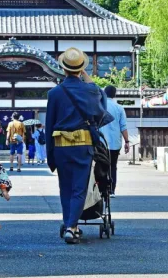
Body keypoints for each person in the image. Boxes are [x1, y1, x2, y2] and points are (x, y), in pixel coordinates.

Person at [46, 47, 113, 244]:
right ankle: (71, 227)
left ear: (63, 69)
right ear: (81, 69)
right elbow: (102, 98)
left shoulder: (54, 93)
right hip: (82, 145)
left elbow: (49, 124)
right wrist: (86, 76)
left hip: (60, 145)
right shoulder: (89, 90)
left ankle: (70, 224)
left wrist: (50, 154)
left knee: (65, 187)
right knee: (79, 187)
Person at [99, 86, 129, 197]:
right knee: (113, 166)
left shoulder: (100, 106)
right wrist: (127, 141)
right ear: (115, 95)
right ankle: (111, 190)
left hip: (100, 143)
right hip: (114, 143)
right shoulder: (119, 108)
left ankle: (101, 189)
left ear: (104, 93)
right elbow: (123, 127)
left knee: (100, 165)